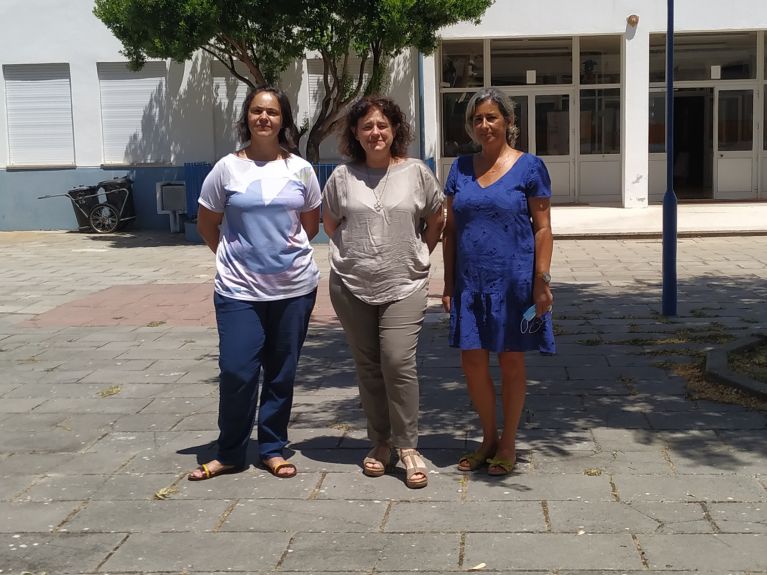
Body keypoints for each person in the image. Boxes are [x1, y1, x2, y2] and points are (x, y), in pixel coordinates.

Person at [189, 85, 321, 480]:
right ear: (246, 117)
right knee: (237, 370)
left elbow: (310, 226)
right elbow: (206, 223)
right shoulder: (226, 168)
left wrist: (276, 253)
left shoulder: (300, 168)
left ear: (284, 120)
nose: (265, 118)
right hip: (238, 290)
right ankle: (229, 451)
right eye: (257, 111)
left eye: (273, 112)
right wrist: (236, 256)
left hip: (294, 288)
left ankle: (272, 448)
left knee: (282, 372)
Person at [322, 96, 445, 489]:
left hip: (404, 282)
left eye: (382, 126)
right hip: (351, 284)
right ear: (355, 134)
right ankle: (381, 443)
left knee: (396, 362)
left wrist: (421, 250)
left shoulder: (416, 172)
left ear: (394, 130)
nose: (375, 133)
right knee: (368, 366)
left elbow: (437, 215)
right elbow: (330, 223)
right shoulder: (342, 177)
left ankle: (408, 446)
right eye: (366, 127)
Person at [441, 87, 555, 476]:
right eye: (477, 119)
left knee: (511, 363)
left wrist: (542, 280)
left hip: (515, 282)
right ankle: (487, 437)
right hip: (470, 283)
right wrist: (447, 285)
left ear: (508, 122)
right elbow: (451, 231)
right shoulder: (460, 168)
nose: (484, 125)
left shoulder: (530, 167)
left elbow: (543, 229)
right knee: (472, 362)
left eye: (492, 117)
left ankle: (509, 442)